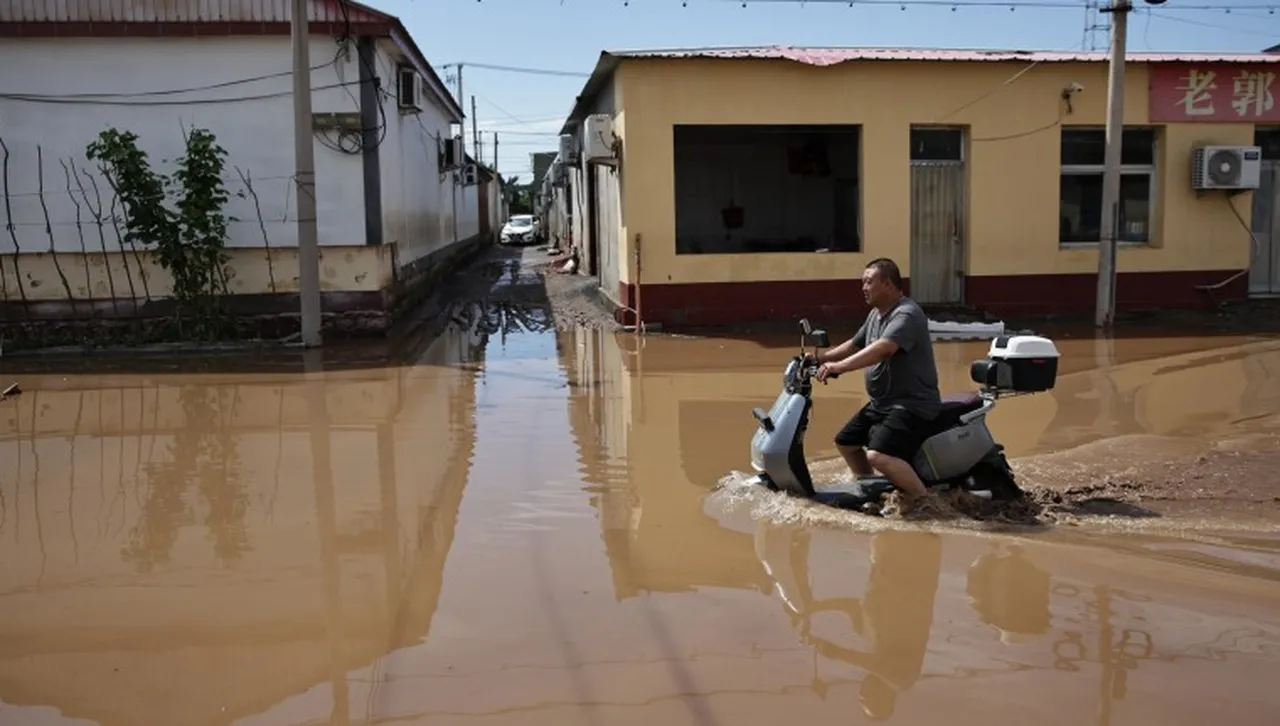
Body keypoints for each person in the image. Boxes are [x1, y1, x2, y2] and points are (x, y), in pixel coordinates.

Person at [814, 258, 941, 501]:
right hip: (882, 403)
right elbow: (855, 344)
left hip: (912, 404)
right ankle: (869, 488)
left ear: (888, 283)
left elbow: (884, 348)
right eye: (862, 282)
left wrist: (838, 367)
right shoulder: (876, 314)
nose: (863, 287)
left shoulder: (907, 313)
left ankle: (925, 502)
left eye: (868, 282)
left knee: (877, 456)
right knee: (846, 442)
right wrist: (819, 359)